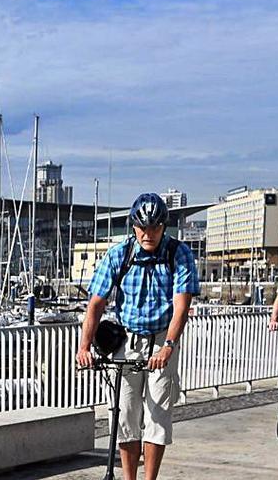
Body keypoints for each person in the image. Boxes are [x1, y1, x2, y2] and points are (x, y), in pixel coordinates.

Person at [76, 193, 200, 480]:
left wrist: (168, 346)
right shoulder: (119, 254)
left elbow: (182, 306)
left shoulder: (177, 253)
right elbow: (95, 303)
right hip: (127, 340)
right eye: (143, 227)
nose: (149, 233)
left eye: (155, 227)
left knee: (158, 414)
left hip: (161, 338)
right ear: (133, 227)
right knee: (125, 414)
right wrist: (84, 347)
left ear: (163, 227)